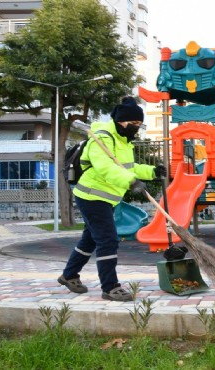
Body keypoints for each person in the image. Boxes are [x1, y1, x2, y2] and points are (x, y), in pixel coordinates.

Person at [57, 96, 166, 301]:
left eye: (139, 124)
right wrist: (131, 182)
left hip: (107, 198)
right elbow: (105, 167)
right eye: (133, 123)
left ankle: (69, 275)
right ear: (120, 120)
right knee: (108, 240)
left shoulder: (124, 141)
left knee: (90, 240)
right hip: (91, 195)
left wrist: (152, 171)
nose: (136, 127)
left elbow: (128, 168)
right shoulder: (103, 138)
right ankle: (110, 287)